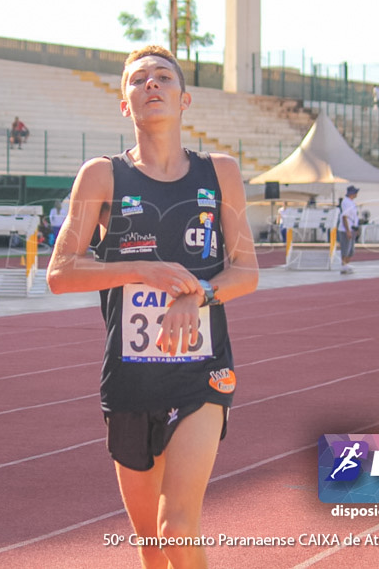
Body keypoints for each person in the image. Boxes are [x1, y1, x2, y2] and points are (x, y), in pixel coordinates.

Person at [46, 45, 259, 568]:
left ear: (184, 99)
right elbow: (60, 273)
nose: (151, 85)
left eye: (163, 77)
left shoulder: (220, 173)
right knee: (150, 543)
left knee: (178, 526)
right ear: (125, 104)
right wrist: (144, 270)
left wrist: (200, 294)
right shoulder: (101, 176)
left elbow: (246, 272)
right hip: (131, 378)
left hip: (202, 371)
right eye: (139, 80)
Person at [338, 185, 360, 274]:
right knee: (346, 248)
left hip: (352, 228)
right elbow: (345, 217)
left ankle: (346, 265)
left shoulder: (351, 202)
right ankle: (343, 266)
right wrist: (347, 230)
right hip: (346, 229)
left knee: (350, 250)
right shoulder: (346, 202)